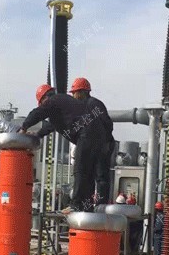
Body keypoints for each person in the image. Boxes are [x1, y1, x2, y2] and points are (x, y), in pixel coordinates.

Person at [20, 83, 114, 213]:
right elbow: (51, 126)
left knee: (80, 170)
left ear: (44, 98)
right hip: (99, 139)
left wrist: (24, 127)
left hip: (86, 135)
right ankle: (89, 206)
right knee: (91, 174)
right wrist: (38, 135)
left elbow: (38, 113)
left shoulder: (54, 100)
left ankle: (76, 205)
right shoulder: (62, 106)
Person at [70, 77, 115, 205]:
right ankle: (90, 204)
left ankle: (97, 204)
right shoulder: (85, 106)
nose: (73, 96)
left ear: (81, 92)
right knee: (92, 176)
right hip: (97, 144)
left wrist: (104, 142)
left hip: (101, 145)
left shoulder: (93, 104)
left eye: (74, 93)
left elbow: (107, 124)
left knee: (98, 175)